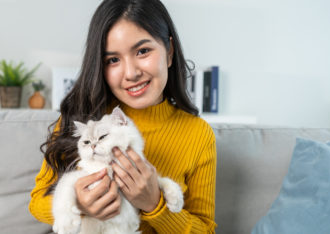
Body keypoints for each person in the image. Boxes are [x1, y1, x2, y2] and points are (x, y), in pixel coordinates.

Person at [29, 0, 217, 233]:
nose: (131, 73)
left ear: (169, 52)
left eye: (143, 51)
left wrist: (155, 206)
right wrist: (80, 205)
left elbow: (205, 230)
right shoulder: (85, 118)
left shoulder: (197, 134)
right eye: (113, 60)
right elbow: (37, 202)